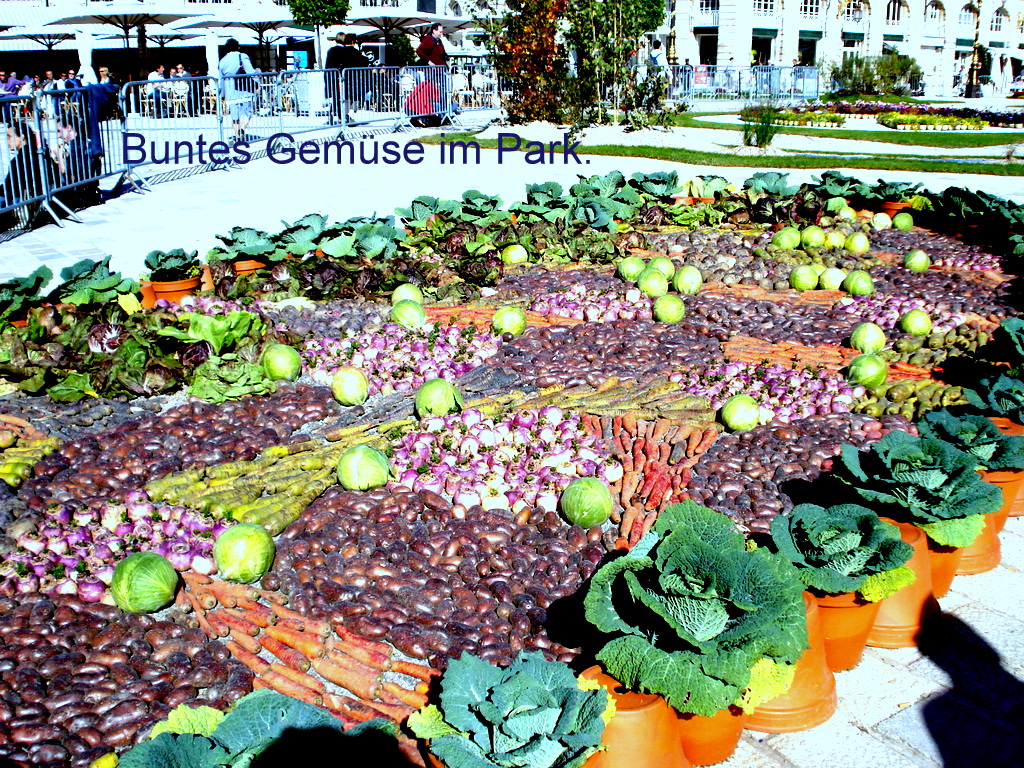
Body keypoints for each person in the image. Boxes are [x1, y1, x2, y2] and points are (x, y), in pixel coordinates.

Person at [0, 121, 54, 231]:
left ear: (22, 137)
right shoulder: (37, 153)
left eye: (9, 136)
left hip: (26, 201)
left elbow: (8, 189)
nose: (7, 140)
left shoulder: (21, 159)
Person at [218, 38, 257, 143]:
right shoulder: (242, 56)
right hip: (243, 88)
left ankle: (238, 137)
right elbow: (250, 71)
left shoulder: (222, 61)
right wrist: (257, 82)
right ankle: (242, 129)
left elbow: (220, 79)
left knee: (234, 116)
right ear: (238, 47)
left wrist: (222, 94)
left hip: (229, 89)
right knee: (247, 112)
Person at [326, 33, 369, 122]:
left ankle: (333, 115)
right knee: (343, 97)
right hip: (344, 77)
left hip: (333, 76)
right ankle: (342, 116)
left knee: (335, 97)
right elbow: (359, 62)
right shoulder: (347, 51)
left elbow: (328, 65)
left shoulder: (331, 50)